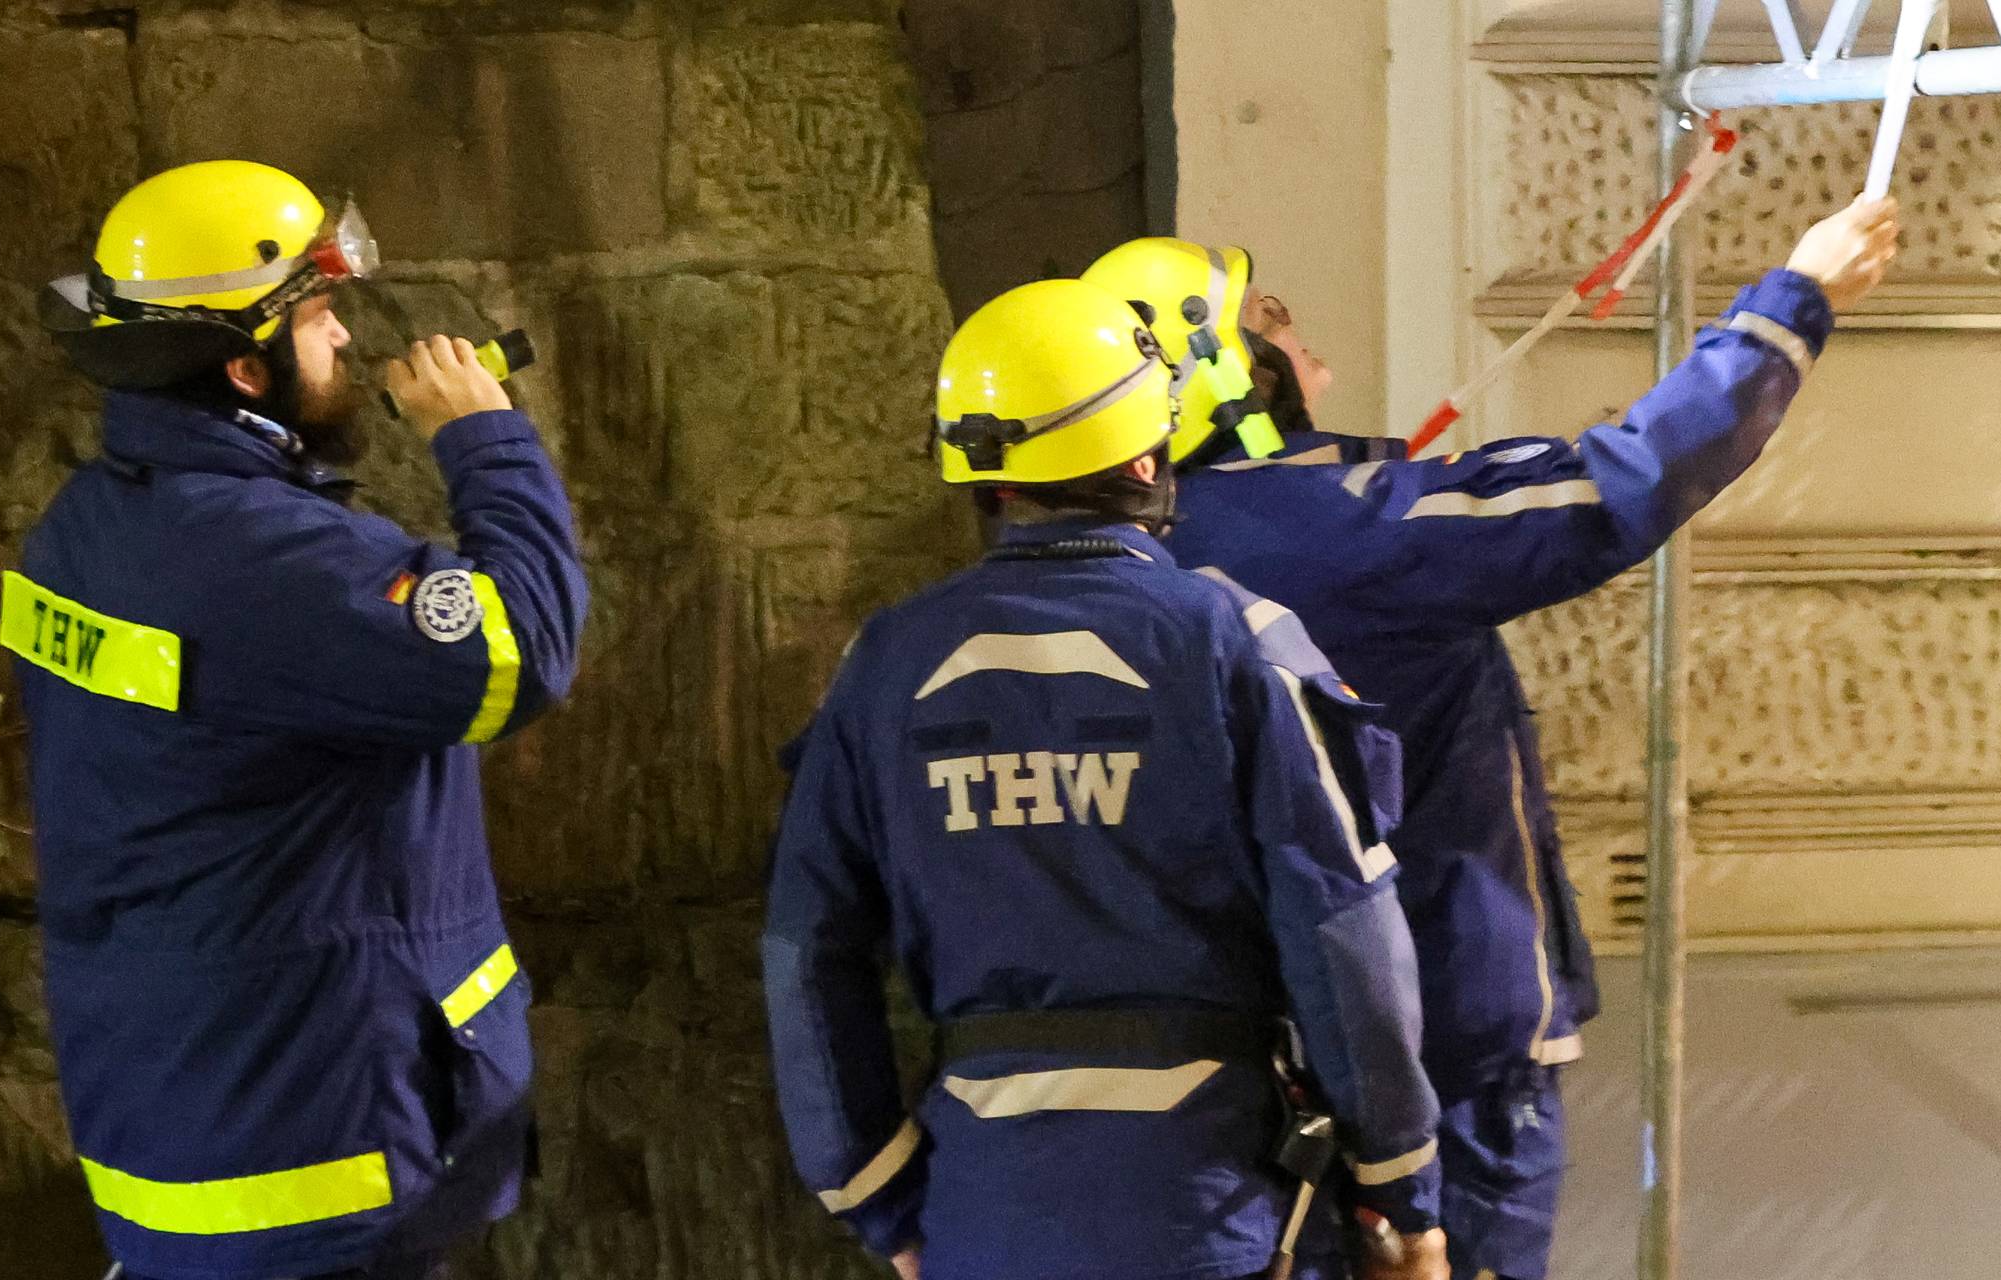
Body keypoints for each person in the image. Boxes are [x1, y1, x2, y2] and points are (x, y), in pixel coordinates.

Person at [1083, 195, 1901, 1280]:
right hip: (1445, 1046)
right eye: (1265, 311)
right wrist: (1794, 303)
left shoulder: (1127, 567)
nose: (1292, 321)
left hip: (1250, 1067)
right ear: (1230, 374)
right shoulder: (1345, 533)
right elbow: (1611, 488)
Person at [762, 278, 1452, 1280]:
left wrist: (878, 1199)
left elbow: (803, 946)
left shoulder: (882, 664)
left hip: (982, 1213)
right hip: (1206, 1208)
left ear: (986, 474)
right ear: (1145, 453)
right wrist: (1397, 1189)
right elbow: (1342, 930)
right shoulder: (1238, 643)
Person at [12, 159, 590, 1280]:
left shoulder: (88, 525)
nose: (341, 343)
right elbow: (518, 657)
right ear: (242, 366)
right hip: (321, 1155)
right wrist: (486, 438)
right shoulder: (263, 561)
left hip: (188, 1132)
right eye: (317, 317)